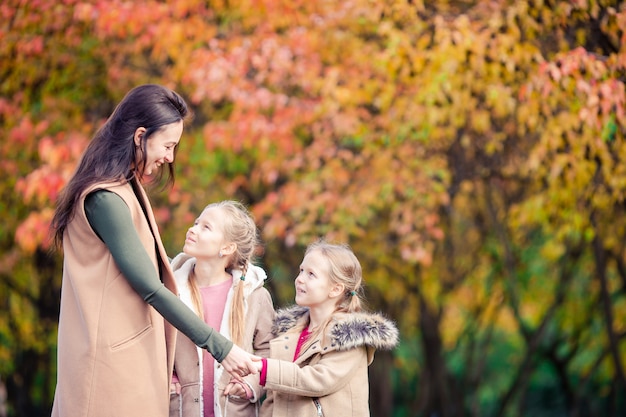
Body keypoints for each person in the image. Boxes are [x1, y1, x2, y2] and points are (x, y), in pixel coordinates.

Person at [49, 84, 259, 417]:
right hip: (108, 369)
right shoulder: (106, 199)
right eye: (168, 145)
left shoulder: (123, 189)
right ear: (140, 135)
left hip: (127, 361)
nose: (170, 157)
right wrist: (222, 348)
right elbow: (150, 287)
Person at [232, 240, 399, 417]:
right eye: (301, 270)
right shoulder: (287, 332)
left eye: (311, 274)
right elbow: (276, 392)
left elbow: (317, 380)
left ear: (335, 289)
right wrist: (248, 384)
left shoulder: (349, 337)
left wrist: (264, 368)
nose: (300, 279)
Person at [169, 200, 275, 417]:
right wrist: (168, 380)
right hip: (180, 409)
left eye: (205, 227)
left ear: (227, 248)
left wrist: (249, 383)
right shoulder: (169, 292)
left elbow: (270, 350)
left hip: (235, 409)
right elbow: (155, 345)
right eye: (196, 223)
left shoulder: (256, 296)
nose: (193, 229)